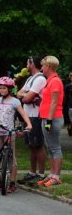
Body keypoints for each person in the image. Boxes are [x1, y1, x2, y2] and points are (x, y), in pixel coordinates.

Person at [0, 77, 32, 193]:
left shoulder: (15, 101)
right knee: (0, 154)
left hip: (9, 132)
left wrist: (29, 124)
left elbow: (23, 114)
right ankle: (1, 181)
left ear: (10, 89)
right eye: (0, 88)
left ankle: (12, 182)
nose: (1, 90)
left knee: (11, 157)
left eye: (4, 88)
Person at [16, 56, 48, 184]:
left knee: (38, 145)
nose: (26, 65)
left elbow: (27, 98)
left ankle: (41, 174)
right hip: (27, 115)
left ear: (32, 64)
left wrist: (27, 95)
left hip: (36, 116)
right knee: (31, 145)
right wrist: (27, 95)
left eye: (27, 62)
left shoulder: (40, 78)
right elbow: (19, 94)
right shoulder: (30, 78)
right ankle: (32, 172)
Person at [37, 56, 65, 187]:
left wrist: (49, 120)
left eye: (43, 65)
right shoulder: (50, 81)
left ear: (48, 66)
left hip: (53, 118)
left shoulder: (55, 81)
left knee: (55, 147)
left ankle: (56, 177)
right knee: (50, 148)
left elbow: (54, 102)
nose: (41, 68)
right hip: (46, 117)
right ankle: (52, 174)